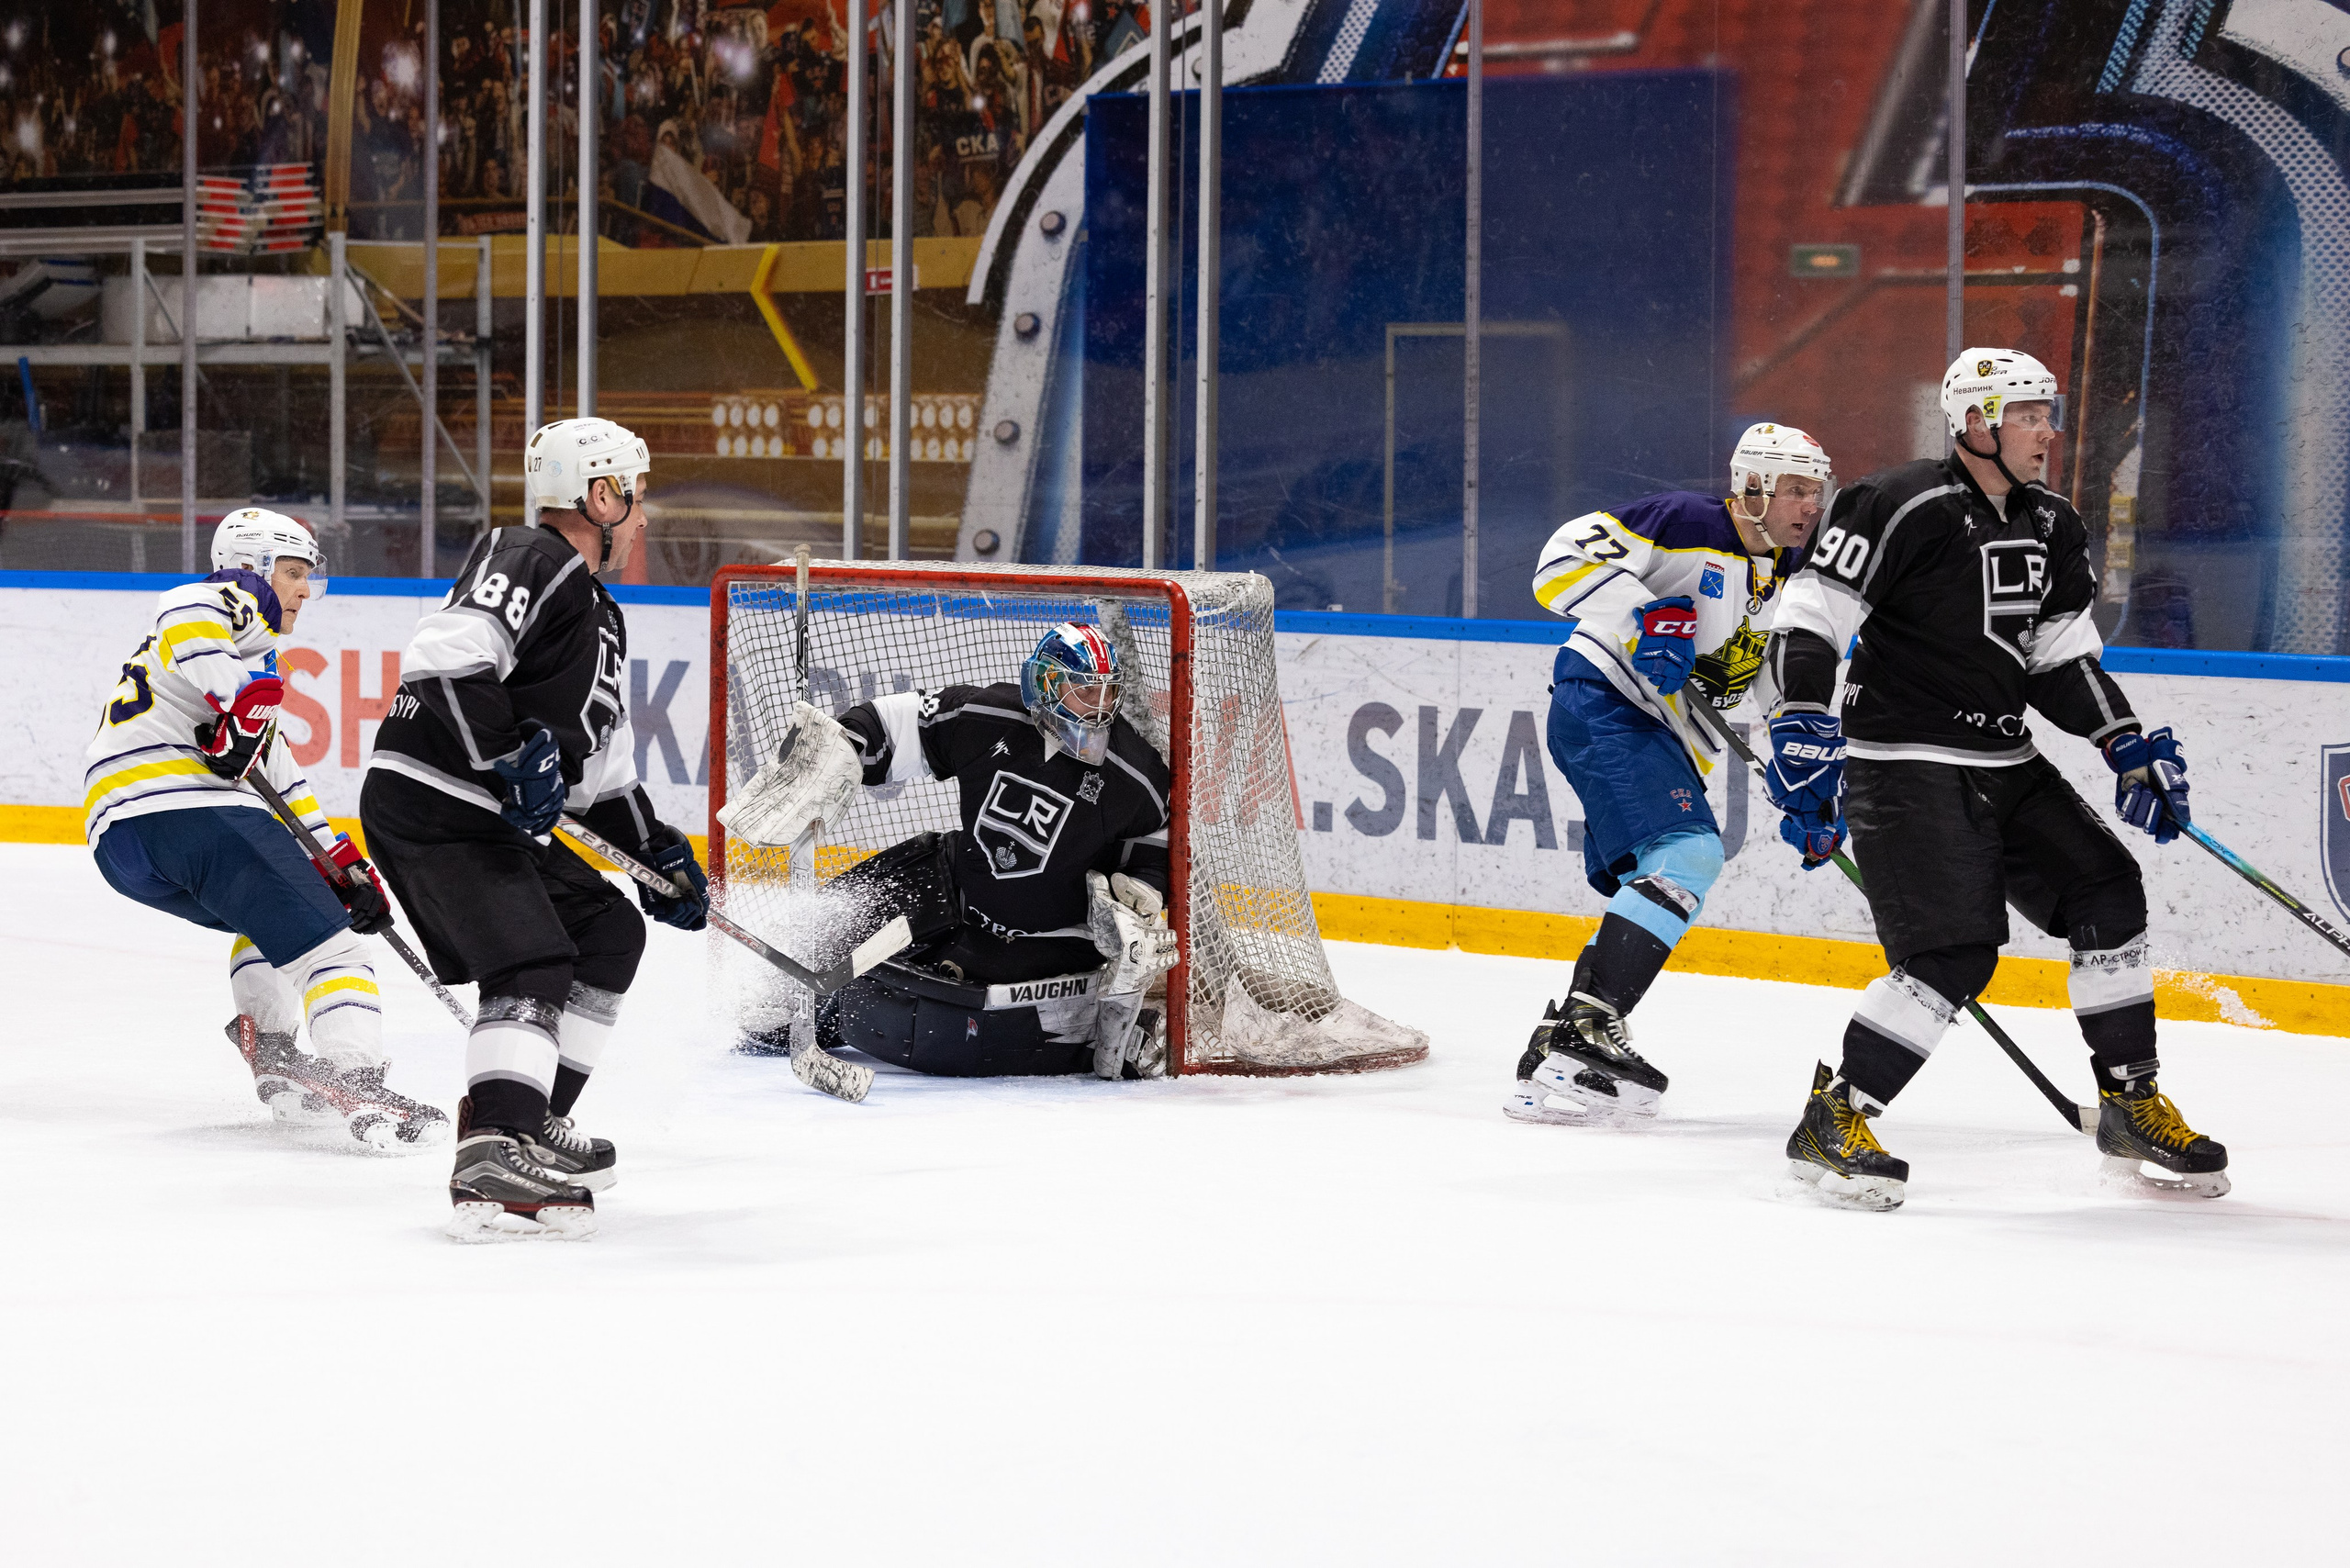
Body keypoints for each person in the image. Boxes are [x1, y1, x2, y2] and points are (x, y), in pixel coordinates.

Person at [1761, 349, 2221, 1211]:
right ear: (1976, 422)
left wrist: (2123, 742)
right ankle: (1838, 1115)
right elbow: (1811, 614)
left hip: (2004, 760)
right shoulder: (1898, 501)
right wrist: (1800, 717)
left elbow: (2056, 659)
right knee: (1952, 952)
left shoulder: (2054, 523)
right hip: (1905, 763)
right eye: (2030, 415)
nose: (2050, 430)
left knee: (2107, 889)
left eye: (2049, 413)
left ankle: (2128, 1103)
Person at [360, 417, 710, 1242]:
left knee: (609, 930)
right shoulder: (531, 555)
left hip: (484, 814)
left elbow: (595, 775)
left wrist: (657, 856)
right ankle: (493, 1149)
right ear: (600, 495)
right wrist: (514, 754)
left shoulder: (601, 616)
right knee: (532, 958)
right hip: (435, 798)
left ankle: (524, 1118)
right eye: (637, 493)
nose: (644, 514)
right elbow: (445, 656)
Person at [84, 509, 445, 1151]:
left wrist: (340, 863)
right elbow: (183, 608)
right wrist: (240, 705)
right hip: (186, 811)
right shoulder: (213, 606)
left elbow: (275, 767)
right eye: (294, 572)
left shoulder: (246, 654)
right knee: (335, 951)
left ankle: (275, 1054)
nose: (306, 589)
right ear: (250, 567)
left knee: (275, 924)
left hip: (123, 840)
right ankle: (359, 1081)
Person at [1506, 423, 1832, 1126]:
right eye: (1797, 489)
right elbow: (1556, 563)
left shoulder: (1790, 578)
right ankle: (1586, 1029)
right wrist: (1647, 615)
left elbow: (1773, 686)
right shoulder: (1685, 521)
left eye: (1817, 490)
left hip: (1666, 734)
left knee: (1655, 878)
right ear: (1753, 488)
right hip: (1607, 700)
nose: (1812, 504)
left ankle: (1564, 1037)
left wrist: (1804, 782)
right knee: (1688, 854)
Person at [726, 622, 1180, 1080]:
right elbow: (901, 722)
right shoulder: (990, 715)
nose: (1099, 708)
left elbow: (1157, 839)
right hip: (957, 880)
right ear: (1045, 682)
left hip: (1046, 939)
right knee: (838, 916)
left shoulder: (1134, 773)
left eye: (1107, 694)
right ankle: (777, 1010)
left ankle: (1091, 1033)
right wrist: (845, 747)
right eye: (1084, 691)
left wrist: (1145, 885)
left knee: (928, 1020)